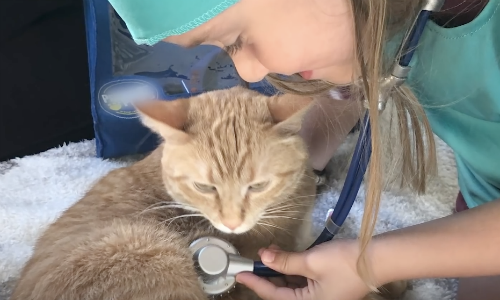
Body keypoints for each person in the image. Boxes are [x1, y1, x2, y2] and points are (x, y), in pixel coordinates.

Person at [107, 0, 500, 299]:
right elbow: (354, 78)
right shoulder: (378, 18)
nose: (249, 73)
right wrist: (290, 166)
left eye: (236, 41)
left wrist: (370, 263)